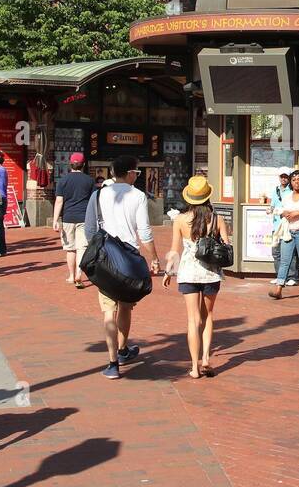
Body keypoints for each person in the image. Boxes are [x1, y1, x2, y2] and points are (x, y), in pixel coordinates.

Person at [84, 155, 161, 379]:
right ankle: (122, 349)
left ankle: (112, 363)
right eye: (136, 173)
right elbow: (144, 231)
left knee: (108, 311)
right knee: (125, 307)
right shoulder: (138, 196)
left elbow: (89, 230)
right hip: (128, 257)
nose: (136, 177)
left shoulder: (98, 195)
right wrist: (154, 257)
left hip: (105, 258)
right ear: (128, 173)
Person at [162, 175, 229, 380]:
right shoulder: (217, 219)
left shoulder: (180, 220)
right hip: (211, 273)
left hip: (188, 272)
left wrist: (168, 271)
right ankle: (206, 358)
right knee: (208, 315)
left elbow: (174, 250)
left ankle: (194, 367)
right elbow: (226, 246)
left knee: (193, 320)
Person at [270, 169, 299, 299]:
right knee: (285, 261)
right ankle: (279, 289)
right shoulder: (287, 196)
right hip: (288, 231)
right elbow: (282, 210)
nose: (296, 182)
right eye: (294, 180)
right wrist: (284, 213)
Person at [52, 152, 95, 288]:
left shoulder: (63, 181)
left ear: (70, 164)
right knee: (82, 247)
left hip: (68, 218)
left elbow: (59, 201)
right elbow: (93, 201)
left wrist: (55, 220)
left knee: (70, 249)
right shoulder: (89, 180)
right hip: (84, 217)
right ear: (83, 165)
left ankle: (71, 276)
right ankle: (79, 273)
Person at [269, 171, 299, 286]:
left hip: (288, 225)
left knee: (290, 253)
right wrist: (270, 210)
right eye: (282, 177)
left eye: (285, 177)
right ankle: (280, 276)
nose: (283, 179)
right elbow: (272, 206)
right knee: (276, 252)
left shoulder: (292, 191)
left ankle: (293, 277)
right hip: (277, 226)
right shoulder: (275, 190)